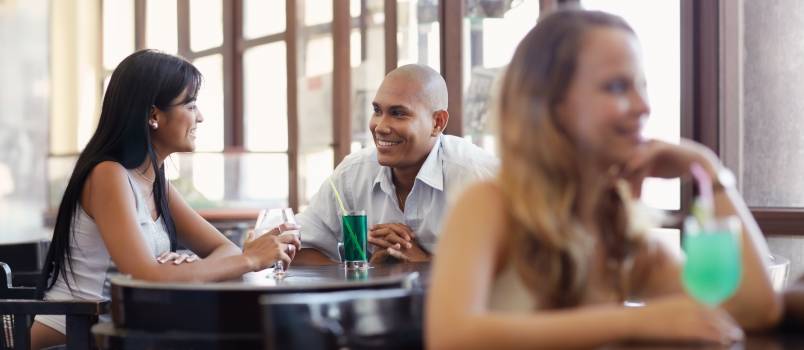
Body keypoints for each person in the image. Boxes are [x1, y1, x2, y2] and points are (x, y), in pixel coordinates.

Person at [426, 9, 782, 349]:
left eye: (641, 85)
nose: (644, 106)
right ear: (551, 105)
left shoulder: (616, 224)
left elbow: (752, 310)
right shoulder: (489, 204)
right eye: (616, 87)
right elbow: (452, 336)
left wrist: (709, 169)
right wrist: (635, 321)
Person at [31, 50, 298, 349]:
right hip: (70, 339)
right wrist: (249, 259)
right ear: (154, 115)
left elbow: (224, 248)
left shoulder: (156, 182)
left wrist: (189, 266)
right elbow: (146, 276)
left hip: (119, 333)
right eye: (191, 104)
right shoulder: (109, 175)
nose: (201, 117)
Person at [294, 64, 497, 265]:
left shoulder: (477, 176)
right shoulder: (353, 173)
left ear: (437, 122)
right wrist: (367, 272)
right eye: (377, 111)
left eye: (398, 113)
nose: (380, 127)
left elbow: (515, 270)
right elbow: (296, 248)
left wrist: (425, 263)